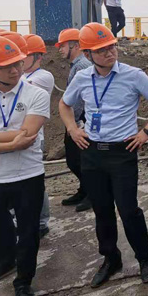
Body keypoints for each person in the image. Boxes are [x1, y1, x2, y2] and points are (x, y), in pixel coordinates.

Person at [59, 23, 148, 288]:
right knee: (102, 209)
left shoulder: (133, 75)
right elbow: (64, 104)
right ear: (88, 54)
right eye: (101, 50)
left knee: (129, 209)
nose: (109, 52)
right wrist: (73, 129)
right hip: (92, 152)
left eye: (111, 46)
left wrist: (146, 132)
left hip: (122, 152)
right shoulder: (82, 78)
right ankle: (111, 259)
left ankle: (145, 259)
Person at [0, 36, 49, 296]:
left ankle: (23, 283)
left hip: (27, 176)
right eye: (6, 66)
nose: (15, 70)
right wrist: (10, 143)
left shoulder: (36, 94)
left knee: (28, 234)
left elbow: (28, 135)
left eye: (17, 63)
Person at [22, 34, 55, 239]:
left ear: (37, 57)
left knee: (35, 180)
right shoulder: (22, 76)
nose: (20, 60)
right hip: (21, 134)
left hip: (34, 137)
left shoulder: (43, 76)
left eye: (24, 55)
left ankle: (41, 222)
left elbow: (21, 92)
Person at [56, 28, 93, 212]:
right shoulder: (76, 66)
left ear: (75, 45)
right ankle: (85, 190)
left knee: (80, 160)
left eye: (63, 45)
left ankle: (92, 193)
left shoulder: (82, 66)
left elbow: (81, 99)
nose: (60, 50)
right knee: (75, 159)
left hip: (81, 119)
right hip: (76, 118)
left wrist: (76, 122)